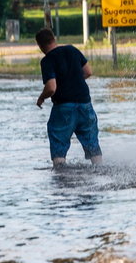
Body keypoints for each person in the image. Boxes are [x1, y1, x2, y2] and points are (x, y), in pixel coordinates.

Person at [35, 28, 102, 168]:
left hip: (64, 107)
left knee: (59, 147)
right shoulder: (72, 50)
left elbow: (51, 87)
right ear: (54, 39)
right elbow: (88, 72)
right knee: (93, 145)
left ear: (40, 46)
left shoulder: (47, 60)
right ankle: (100, 171)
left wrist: (41, 98)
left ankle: (61, 180)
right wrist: (73, 80)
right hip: (85, 104)